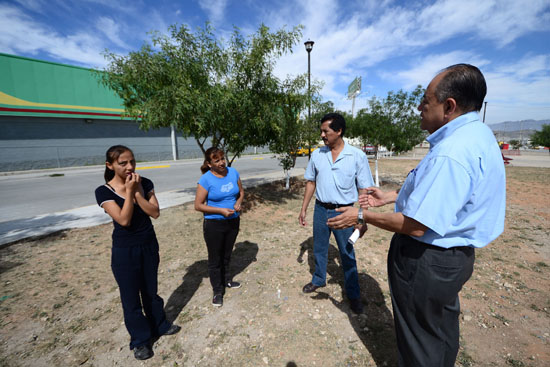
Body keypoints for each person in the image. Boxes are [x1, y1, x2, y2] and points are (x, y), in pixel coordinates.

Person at [328, 64, 506, 366]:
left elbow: (417, 225)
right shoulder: (477, 135)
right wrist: (393, 195)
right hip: (453, 259)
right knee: (439, 331)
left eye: (426, 100)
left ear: (449, 106)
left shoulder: (452, 152)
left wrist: (362, 214)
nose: (419, 106)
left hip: (427, 260)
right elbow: (449, 194)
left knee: (419, 344)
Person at [94, 145, 180, 361]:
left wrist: (138, 193)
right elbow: (124, 220)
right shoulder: (104, 191)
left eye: (132, 161)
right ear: (110, 165)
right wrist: (130, 192)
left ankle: (159, 325)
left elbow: (155, 213)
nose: (130, 167)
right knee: (131, 298)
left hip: (149, 245)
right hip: (125, 251)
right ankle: (140, 340)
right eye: (123, 163)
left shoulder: (145, 183)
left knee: (151, 292)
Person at [298, 112, 374, 314]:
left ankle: (353, 294)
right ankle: (318, 279)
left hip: (345, 212)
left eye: (326, 131)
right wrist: (304, 208)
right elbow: (311, 182)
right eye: (321, 131)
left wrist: (362, 216)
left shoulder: (356, 156)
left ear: (339, 131)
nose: (322, 135)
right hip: (321, 209)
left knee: (347, 253)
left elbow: (364, 189)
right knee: (319, 248)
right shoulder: (317, 154)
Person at [194, 147, 244, 307]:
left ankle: (227, 280)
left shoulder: (233, 172)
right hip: (214, 224)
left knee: (227, 254)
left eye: (223, 158)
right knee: (215, 258)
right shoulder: (206, 180)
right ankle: (217, 291)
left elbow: (241, 192)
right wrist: (220, 211)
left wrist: (238, 203)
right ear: (209, 164)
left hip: (233, 221)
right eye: (217, 160)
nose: (222, 162)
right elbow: (198, 205)